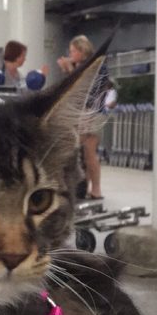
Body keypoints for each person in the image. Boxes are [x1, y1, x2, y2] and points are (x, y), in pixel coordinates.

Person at [57, 34, 114, 201]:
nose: (71, 54)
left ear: (82, 51)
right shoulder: (91, 65)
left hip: (91, 113)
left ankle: (94, 189)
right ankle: (87, 187)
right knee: (86, 152)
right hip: (89, 112)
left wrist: (68, 70)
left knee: (87, 152)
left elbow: (82, 89)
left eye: (73, 51)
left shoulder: (93, 66)